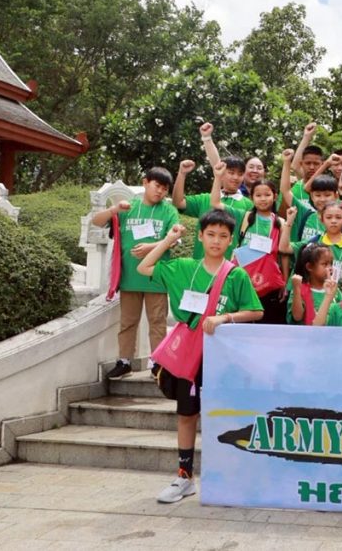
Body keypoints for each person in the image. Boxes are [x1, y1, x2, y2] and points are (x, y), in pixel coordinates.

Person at [137, 211, 263, 503]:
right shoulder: (184, 267)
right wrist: (168, 240)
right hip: (189, 355)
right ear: (201, 236)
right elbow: (144, 267)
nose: (216, 241)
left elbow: (256, 311)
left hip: (223, 357)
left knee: (225, 415)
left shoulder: (236, 274)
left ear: (231, 241)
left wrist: (225, 317)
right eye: (211, 234)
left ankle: (231, 478)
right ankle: (184, 477)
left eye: (223, 236)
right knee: (187, 414)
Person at [90, 167, 181, 378]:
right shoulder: (129, 208)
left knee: (157, 322)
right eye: (157, 186)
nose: (160, 191)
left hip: (156, 277)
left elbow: (175, 238)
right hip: (129, 277)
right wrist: (114, 209)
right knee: (128, 322)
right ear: (145, 182)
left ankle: (158, 363)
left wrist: (150, 247)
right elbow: (97, 221)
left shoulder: (168, 211)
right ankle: (124, 362)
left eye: (165, 188)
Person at [209, 163, 288, 324]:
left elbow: (284, 254)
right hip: (242, 279)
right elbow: (216, 203)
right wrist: (217, 177)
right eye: (258, 195)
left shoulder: (281, 223)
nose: (263, 199)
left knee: (266, 325)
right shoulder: (244, 217)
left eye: (267, 195)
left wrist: (284, 282)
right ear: (251, 198)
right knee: (240, 323)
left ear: (275, 196)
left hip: (268, 283)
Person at [173, 157, 252, 259]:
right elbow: (178, 202)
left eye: (240, 174)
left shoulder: (248, 205)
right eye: (231, 172)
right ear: (222, 173)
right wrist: (182, 174)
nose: (236, 177)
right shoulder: (205, 199)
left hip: (230, 266)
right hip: (200, 263)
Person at [279, 149, 339, 243]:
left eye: (327, 195)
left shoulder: (339, 220)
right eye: (318, 195)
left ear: (336, 196)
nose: (322, 199)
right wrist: (287, 162)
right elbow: (285, 190)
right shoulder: (305, 213)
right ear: (312, 196)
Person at [287, 242, 336, 325]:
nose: (330, 268)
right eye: (325, 264)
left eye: (331, 264)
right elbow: (297, 316)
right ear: (309, 267)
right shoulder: (300, 289)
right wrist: (296, 289)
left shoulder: (335, 290)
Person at [289, 122, 324, 203]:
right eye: (308, 163)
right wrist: (307, 136)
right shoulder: (296, 188)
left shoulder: (329, 186)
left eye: (316, 164)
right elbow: (295, 166)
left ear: (322, 164)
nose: (312, 167)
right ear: (301, 164)